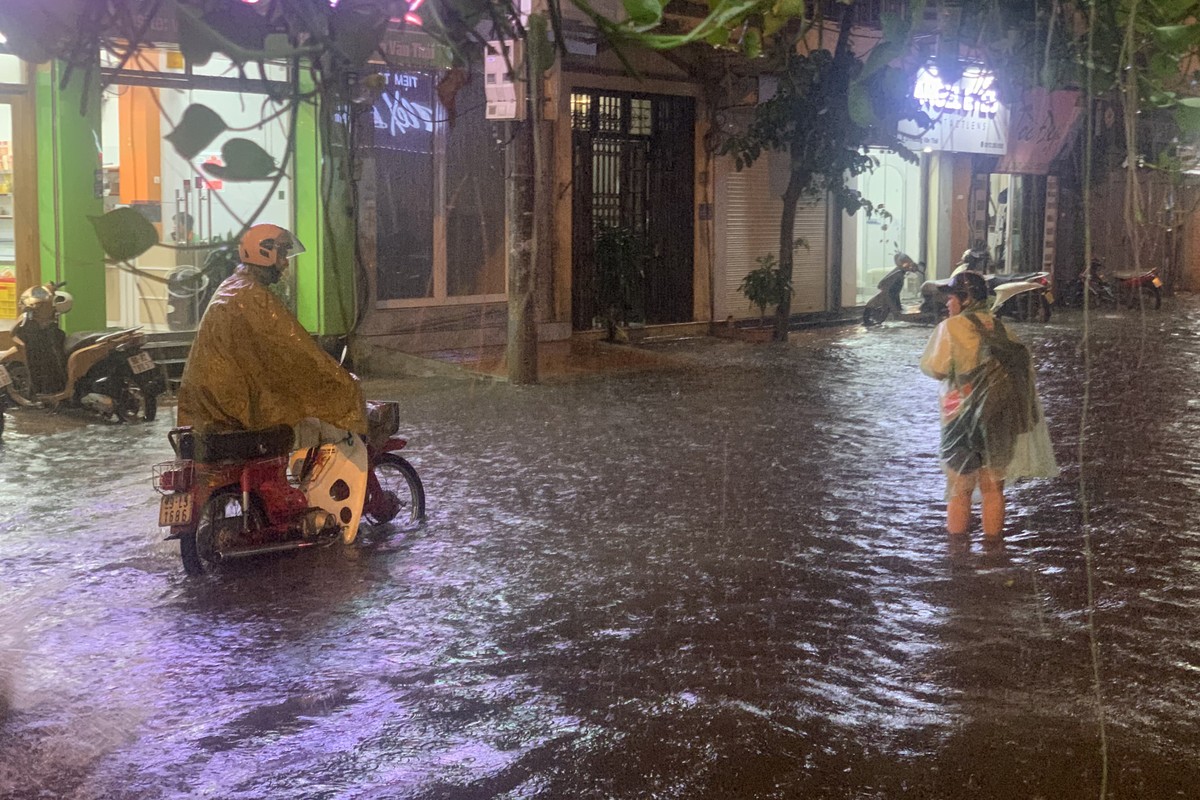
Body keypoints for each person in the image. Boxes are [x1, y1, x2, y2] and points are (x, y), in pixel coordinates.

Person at [176, 223, 368, 442]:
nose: (285, 263)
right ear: (265, 253)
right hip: (227, 407)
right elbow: (296, 349)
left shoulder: (235, 286)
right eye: (283, 254)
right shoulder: (252, 296)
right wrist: (339, 381)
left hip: (212, 404)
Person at [919, 270, 1057, 539]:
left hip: (960, 422)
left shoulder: (951, 328)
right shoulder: (1003, 329)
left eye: (952, 297)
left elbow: (935, 368)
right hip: (999, 419)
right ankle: (993, 554)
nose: (948, 303)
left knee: (960, 491)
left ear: (965, 298)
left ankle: (957, 559)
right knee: (994, 490)